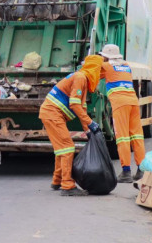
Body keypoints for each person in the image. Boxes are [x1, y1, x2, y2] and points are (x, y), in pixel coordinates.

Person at [39, 54, 103, 196]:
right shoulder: (80, 78)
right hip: (52, 114)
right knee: (67, 147)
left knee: (61, 149)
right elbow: (75, 105)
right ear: (94, 69)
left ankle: (57, 180)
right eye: (99, 71)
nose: (99, 75)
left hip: (51, 114)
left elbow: (82, 108)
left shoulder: (82, 79)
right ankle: (67, 186)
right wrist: (90, 123)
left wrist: (88, 131)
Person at [99, 44, 145, 183]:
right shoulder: (126, 66)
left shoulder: (106, 66)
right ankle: (141, 170)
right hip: (133, 102)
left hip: (120, 104)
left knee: (122, 137)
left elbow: (93, 71)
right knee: (137, 136)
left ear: (106, 57)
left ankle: (126, 172)